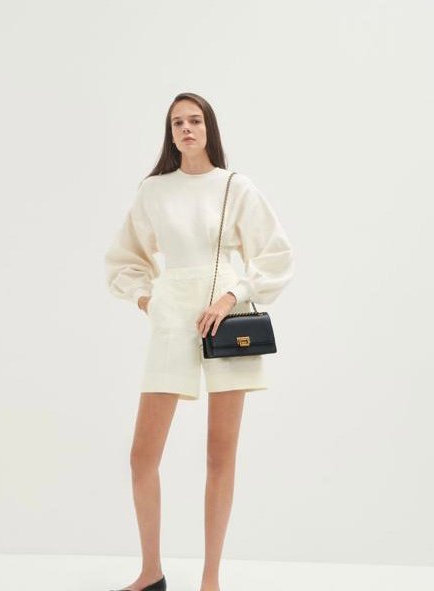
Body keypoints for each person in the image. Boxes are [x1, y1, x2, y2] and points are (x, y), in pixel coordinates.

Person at [104, 92, 294, 591]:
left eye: (194, 120)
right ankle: (151, 573)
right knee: (142, 456)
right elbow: (125, 257)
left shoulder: (234, 186)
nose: (186, 129)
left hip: (226, 318)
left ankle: (211, 580)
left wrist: (232, 297)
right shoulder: (153, 191)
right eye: (177, 123)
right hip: (172, 319)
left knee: (219, 455)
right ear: (169, 134)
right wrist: (148, 300)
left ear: (209, 128)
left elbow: (275, 255)